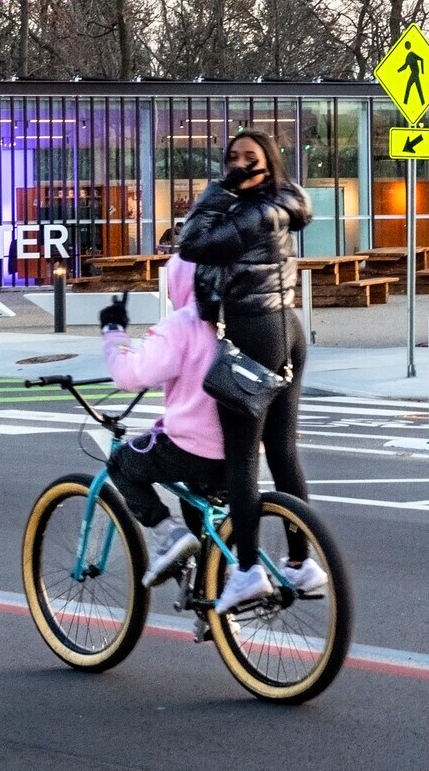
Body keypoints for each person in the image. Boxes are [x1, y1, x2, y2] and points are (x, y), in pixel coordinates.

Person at [176, 129, 320, 613]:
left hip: (254, 331)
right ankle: (303, 564)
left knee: (242, 459)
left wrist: (222, 189)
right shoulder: (282, 202)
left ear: (267, 164)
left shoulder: (253, 212)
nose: (236, 164)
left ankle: (246, 571)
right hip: (288, 329)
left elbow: (190, 242)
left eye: (248, 158)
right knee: (281, 448)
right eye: (231, 157)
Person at [101, 258, 224, 587]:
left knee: (122, 462)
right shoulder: (239, 318)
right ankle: (211, 597)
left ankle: (167, 533)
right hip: (241, 448)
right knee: (199, 502)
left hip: (193, 446)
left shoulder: (183, 323)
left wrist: (113, 334)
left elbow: (131, 374)